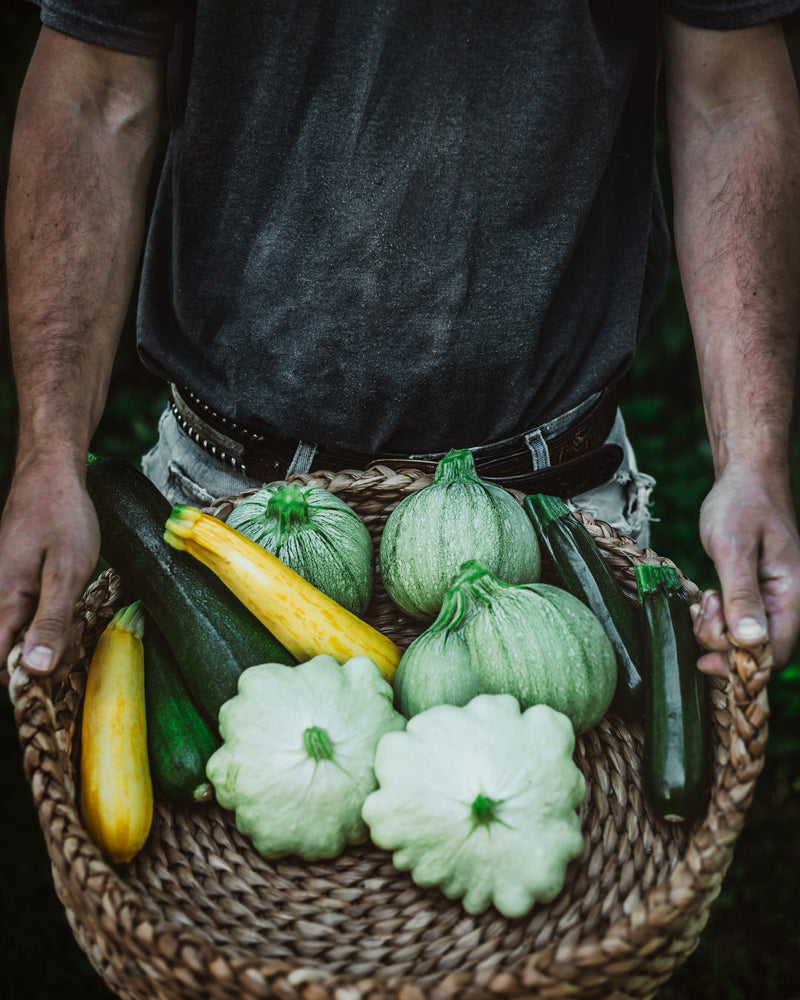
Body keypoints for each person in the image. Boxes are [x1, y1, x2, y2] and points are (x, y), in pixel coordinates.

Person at [1, 1, 799, 686]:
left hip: (562, 513)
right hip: (227, 509)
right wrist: (49, 456)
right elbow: (94, 88)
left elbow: (730, 95)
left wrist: (752, 462)